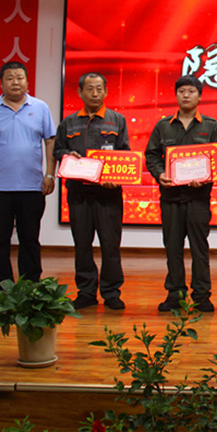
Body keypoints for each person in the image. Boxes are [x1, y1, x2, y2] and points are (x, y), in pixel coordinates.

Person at [0, 61, 57, 293]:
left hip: (32, 186)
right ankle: (2, 289)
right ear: (1, 83)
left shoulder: (40, 108)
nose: (15, 82)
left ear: (27, 82)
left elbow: (50, 142)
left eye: (20, 77)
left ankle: (30, 287)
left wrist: (50, 174)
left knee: (30, 238)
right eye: (10, 78)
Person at [145, 75, 217, 312]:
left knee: (200, 249)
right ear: (176, 95)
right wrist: (159, 174)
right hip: (171, 198)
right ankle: (175, 294)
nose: (186, 95)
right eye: (182, 91)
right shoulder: (163, 126)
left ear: (199, 96)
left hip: (198, 198)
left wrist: (206, 177)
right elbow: (151, 155)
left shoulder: (211, 126)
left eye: (191, 91)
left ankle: (202, 295)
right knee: (173, 248)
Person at [53, 73, 129, 311]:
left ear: (106, 92)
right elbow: (58, 150)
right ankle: (86, 292)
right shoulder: (69, 122)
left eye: (99, 89)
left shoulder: (117, 120)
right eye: (89, 89)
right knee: (82, 244)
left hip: (108, 194)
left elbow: (125, 154)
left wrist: (116, 178)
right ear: (80, 92)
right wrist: (68, 155)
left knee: (110, 245)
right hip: (79, 193)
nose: (95, 93)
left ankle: (111, 292)